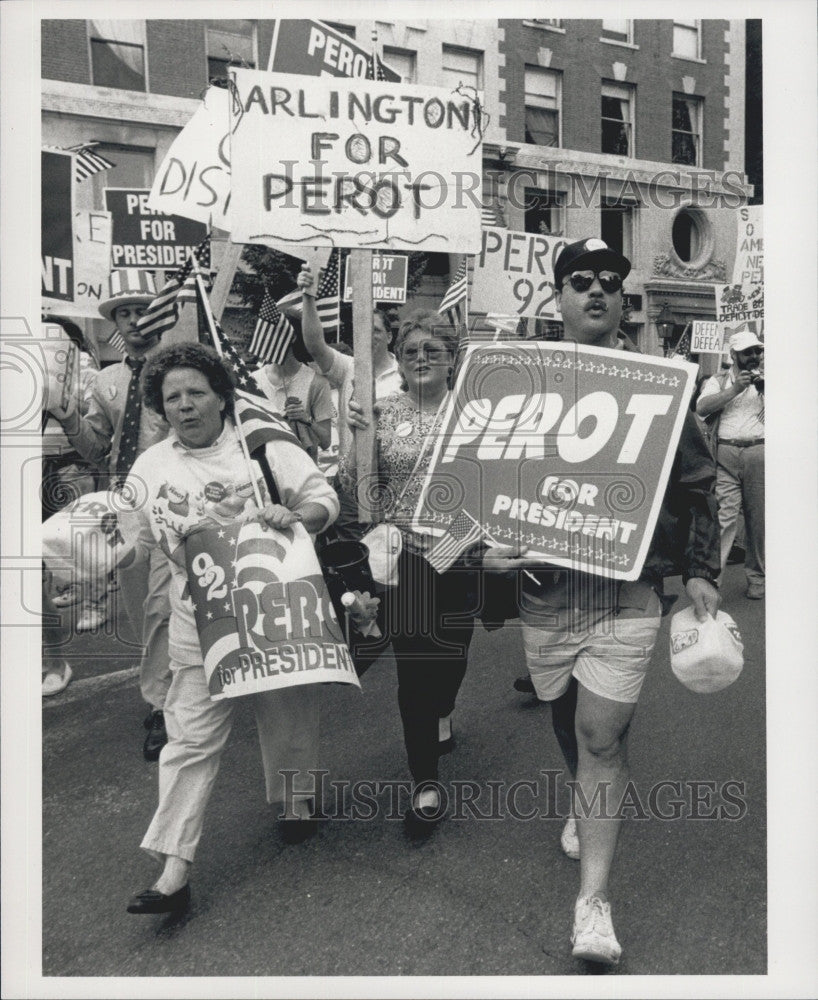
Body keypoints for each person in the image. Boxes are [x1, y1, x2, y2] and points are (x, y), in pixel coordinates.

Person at [500, 239, 721, 965]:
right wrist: (483, 546)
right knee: (570, 722)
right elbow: (480, 481)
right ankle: (581, 797)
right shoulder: (522, 383)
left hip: (628, 593)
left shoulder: (662, 386)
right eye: (580, 281)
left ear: (623, 300)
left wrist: (698, 568)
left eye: (608, 283)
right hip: (546, 596)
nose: (596, 291)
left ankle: (593, 902)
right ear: (558, 297)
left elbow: (695, 482)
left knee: (602, 738)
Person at [121, 343, 339, 914]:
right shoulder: (150, 467)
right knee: (188, 740)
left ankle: (295, 801)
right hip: (198, 624)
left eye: (196, 392)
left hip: (272, 610)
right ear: (159, 408)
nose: (185, 406)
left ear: (222, 394)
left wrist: (295, 516)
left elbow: (323, 499)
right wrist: (95, 550)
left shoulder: (260, 448)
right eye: (172, 397)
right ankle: (174, 869)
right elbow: (132, 543)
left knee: (287, 711)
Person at [340, 313, 480, 834]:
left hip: (464, 557)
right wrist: (355, 438)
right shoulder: (378, 412)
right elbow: (352, 490)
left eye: (433, 350)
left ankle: (443, 709)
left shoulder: (476, 416)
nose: (421, 358)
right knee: (416, 670)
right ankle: (424, 780)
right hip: (407, 564)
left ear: (452, 359)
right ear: (397, 361)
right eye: (411, 351)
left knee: (454, 658)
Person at [46, 269, 173, 760]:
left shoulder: (184, 370)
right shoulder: (107, 380)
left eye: (142, 309)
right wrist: (68, 416)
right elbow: (99, 450)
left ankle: (164, 706)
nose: (135, 320)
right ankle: (172, 690)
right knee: (145, 607)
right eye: (124, 312)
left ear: (162, 314)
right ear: (115, 321)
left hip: (179, 499)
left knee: (166, 604)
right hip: (126, 505)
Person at [297, 265, 401, 539]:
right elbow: (314, 344)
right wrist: (308, 297)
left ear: (389, 336)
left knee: (389, 561)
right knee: (350, 561)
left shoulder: (406, 377)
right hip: (351, 483)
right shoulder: (348, 368)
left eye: (376, 330)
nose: (369, 335)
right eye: (363, 329)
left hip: (394, 485)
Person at [695, 327, 765, 599]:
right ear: (734, 355)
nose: (754, 356)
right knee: (724, 519)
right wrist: (737, 388)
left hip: (758, 452)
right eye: (748, 352)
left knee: (757, 520)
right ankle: (714, 579)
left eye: (758, 351)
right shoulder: (720, 379)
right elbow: (702, 408)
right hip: (725, 454)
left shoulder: (770, 378)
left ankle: (757, 577)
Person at [255, 328, 333, 462]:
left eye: (274, 334)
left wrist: (306, 420)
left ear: (290, 338)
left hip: (303, 470)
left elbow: (326, 441)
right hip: (266, 471)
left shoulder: (317, 382)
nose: (268, 340)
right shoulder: (254, 382)